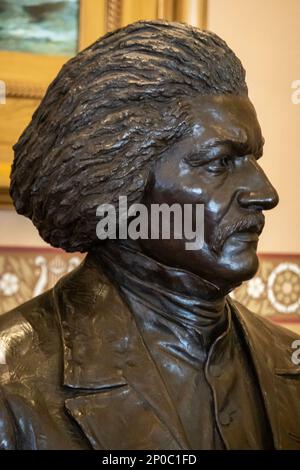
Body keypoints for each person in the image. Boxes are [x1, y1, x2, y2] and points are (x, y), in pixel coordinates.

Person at [0, 20, 299, 450]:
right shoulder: (13, 383)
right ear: (120, 184)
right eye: (218, 163)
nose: (265, 194)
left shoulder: (289, 362)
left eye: (253, 159)